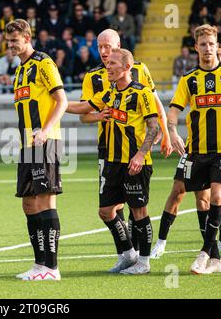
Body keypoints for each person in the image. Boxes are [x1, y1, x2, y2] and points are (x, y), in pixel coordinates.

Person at [78, 29, 172, 266]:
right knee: (111, 206)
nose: (103, 52)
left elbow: (156, 105)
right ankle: (127, 254)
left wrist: (167, 134)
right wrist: (100, 115)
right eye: (99, 47)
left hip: (135, 151)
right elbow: (84, 112)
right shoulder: (96, 79)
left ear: (119, 46)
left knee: (136, 207)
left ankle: (142, 258)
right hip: (108, 149)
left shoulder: (139, 71)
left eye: (108, 47)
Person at [150, 43, 221, 261]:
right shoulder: (191, 80)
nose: (215, 54)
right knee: (179, 192)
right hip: (194, 149)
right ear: (198, 49)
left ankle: (220, 246)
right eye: (208, 47)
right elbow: (174, 110)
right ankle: (162, 242)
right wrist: (171, 133)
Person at [5, 19, 68, 281]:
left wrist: (44, 130)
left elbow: (61, 100)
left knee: (45, 200)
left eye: (15, 41)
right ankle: (40, 264)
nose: (10, 46)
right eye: (8, 42)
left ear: (27, 38)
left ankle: (52, 268)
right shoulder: (19, 71)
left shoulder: (44, 63)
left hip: (46, 142)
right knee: (29, 204)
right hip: (27, 146)